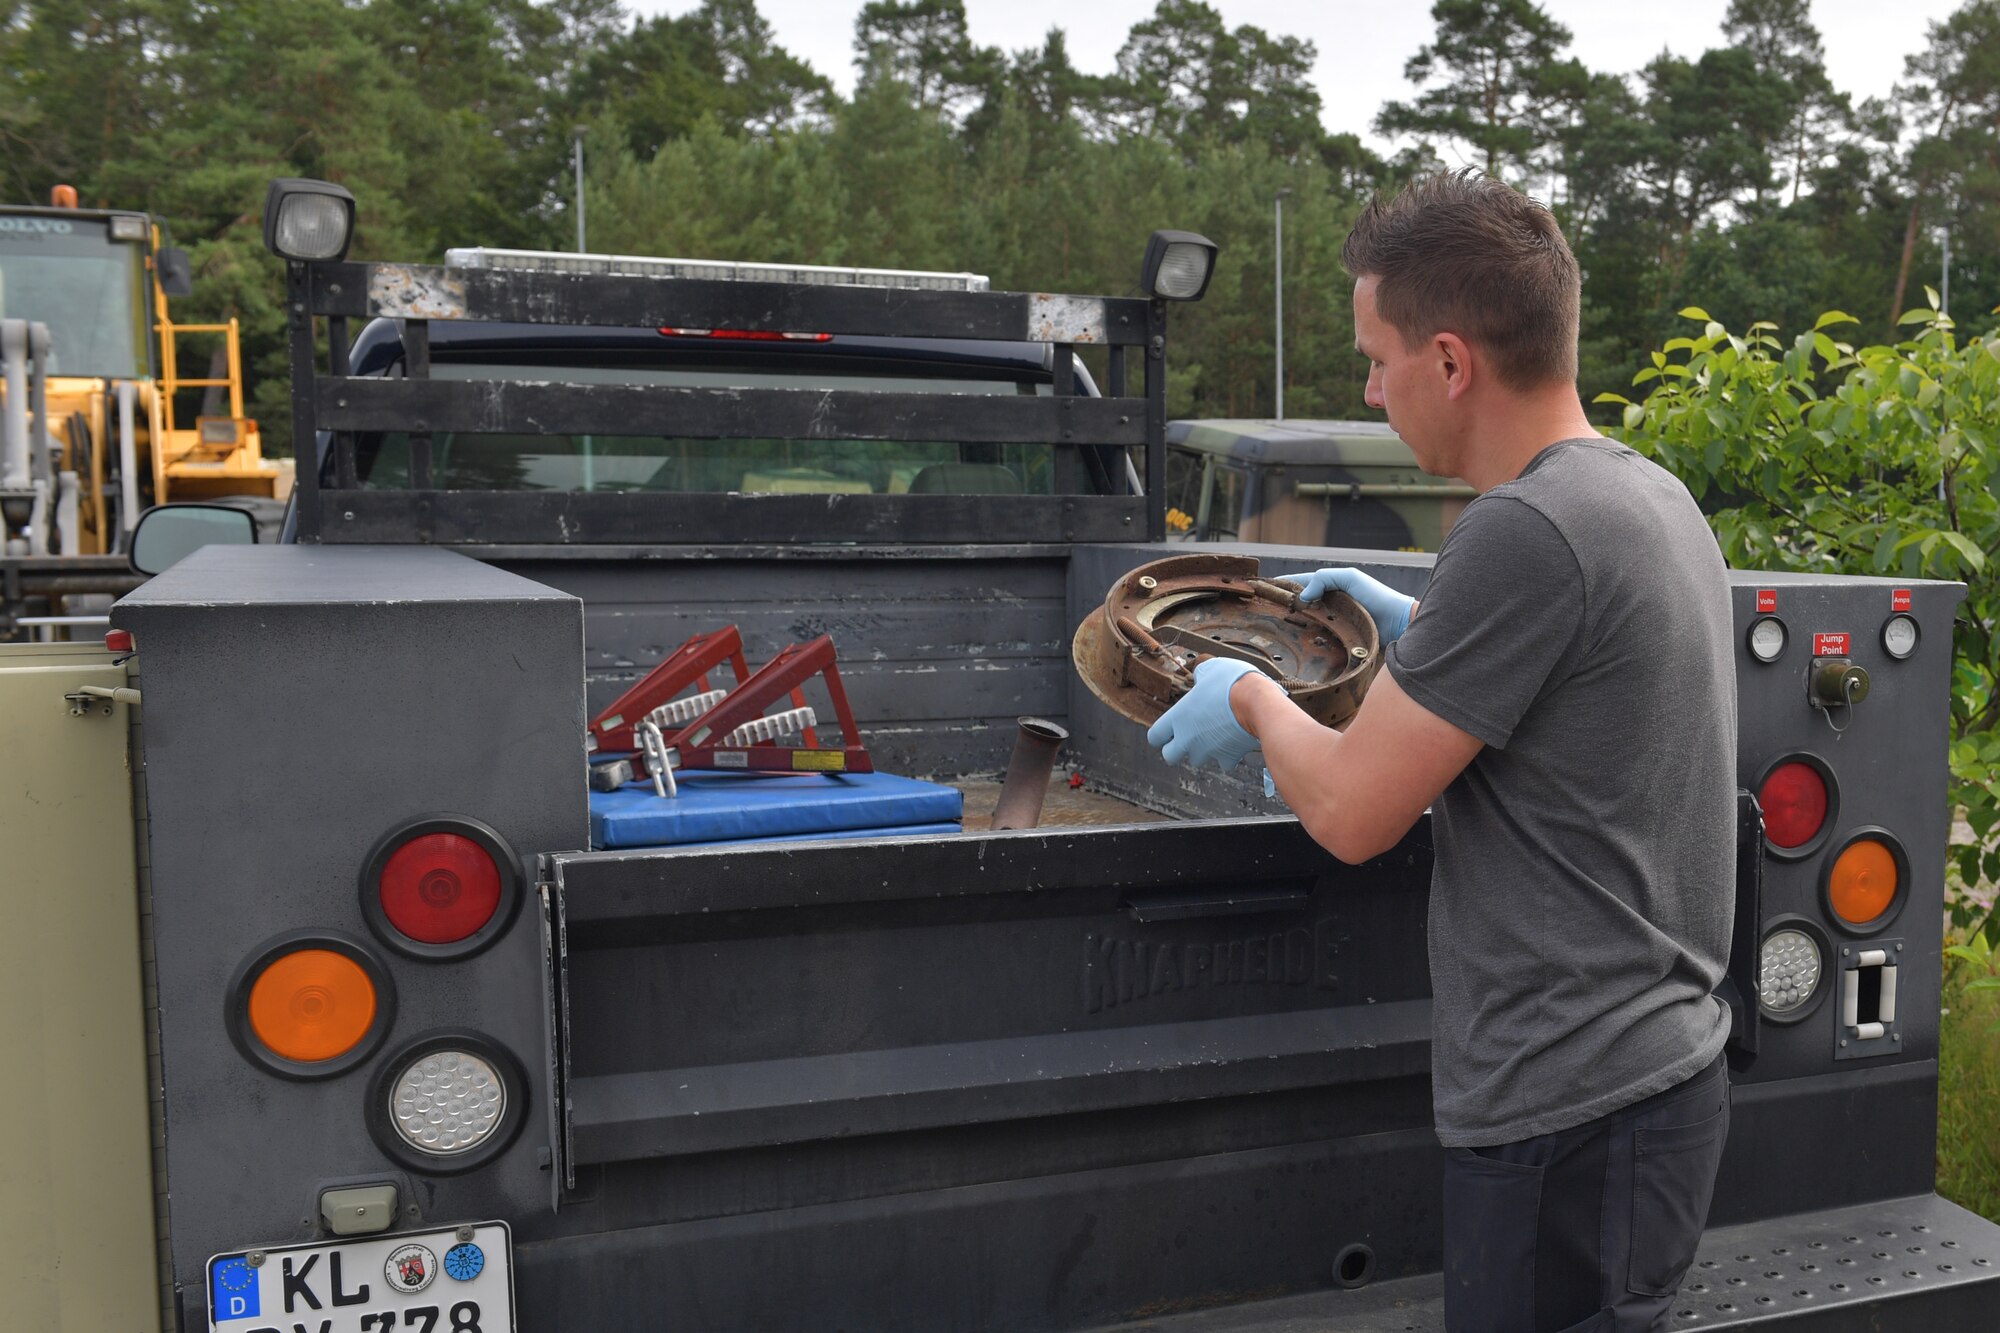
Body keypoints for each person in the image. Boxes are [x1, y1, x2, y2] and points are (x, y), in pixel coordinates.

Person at [1146, 170, 1736, 1332]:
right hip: (1652, 1081)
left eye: (1377, 359)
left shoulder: (1520, 532)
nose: (1370, 390)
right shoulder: (1639, 494)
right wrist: (1412, 624)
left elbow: (1354, 815)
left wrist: (1253, 696)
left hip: (1566, 1107)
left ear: (1452, 362)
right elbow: (1576, 702)